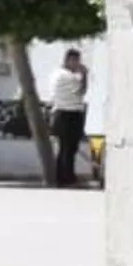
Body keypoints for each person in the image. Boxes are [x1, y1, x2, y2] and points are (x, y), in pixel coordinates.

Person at [50, 48, 89, 188]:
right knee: (69, 148)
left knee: (65, 148)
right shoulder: (68, 76)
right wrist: (85, 75)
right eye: (76, 61)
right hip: (69, 114)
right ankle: (66, 177)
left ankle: (63, 177)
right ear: (68, 60)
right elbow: (81, 91)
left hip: (60, 113)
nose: (78, 64)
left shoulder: (56, 74)